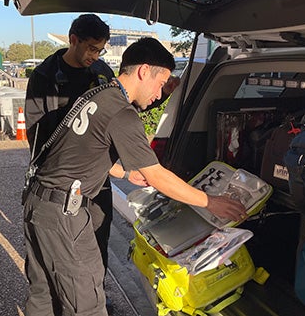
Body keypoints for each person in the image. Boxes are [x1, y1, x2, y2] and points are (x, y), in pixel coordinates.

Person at [23, 37, 246, 316]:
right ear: (143, 71)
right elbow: (156, 176)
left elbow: (80, 152)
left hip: (39, 204)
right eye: (160, 82)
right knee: (86, 305)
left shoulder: (98, 95)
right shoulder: (121, 112)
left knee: (44, 295)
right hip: (64, 216)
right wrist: (209, 202)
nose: (159, 92)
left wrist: (124, 171)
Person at [23, 14, 179, 312]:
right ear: (73, 40)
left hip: (89, 189)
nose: (94, 56)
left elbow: (128, 102)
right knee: (59, 286)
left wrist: (159, 96)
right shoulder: (46, 77)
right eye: (91, 48)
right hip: (63, 190)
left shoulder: (101, 74)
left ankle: (88, 294)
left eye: (100, 50)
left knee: (90, 259)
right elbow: (47, 139)